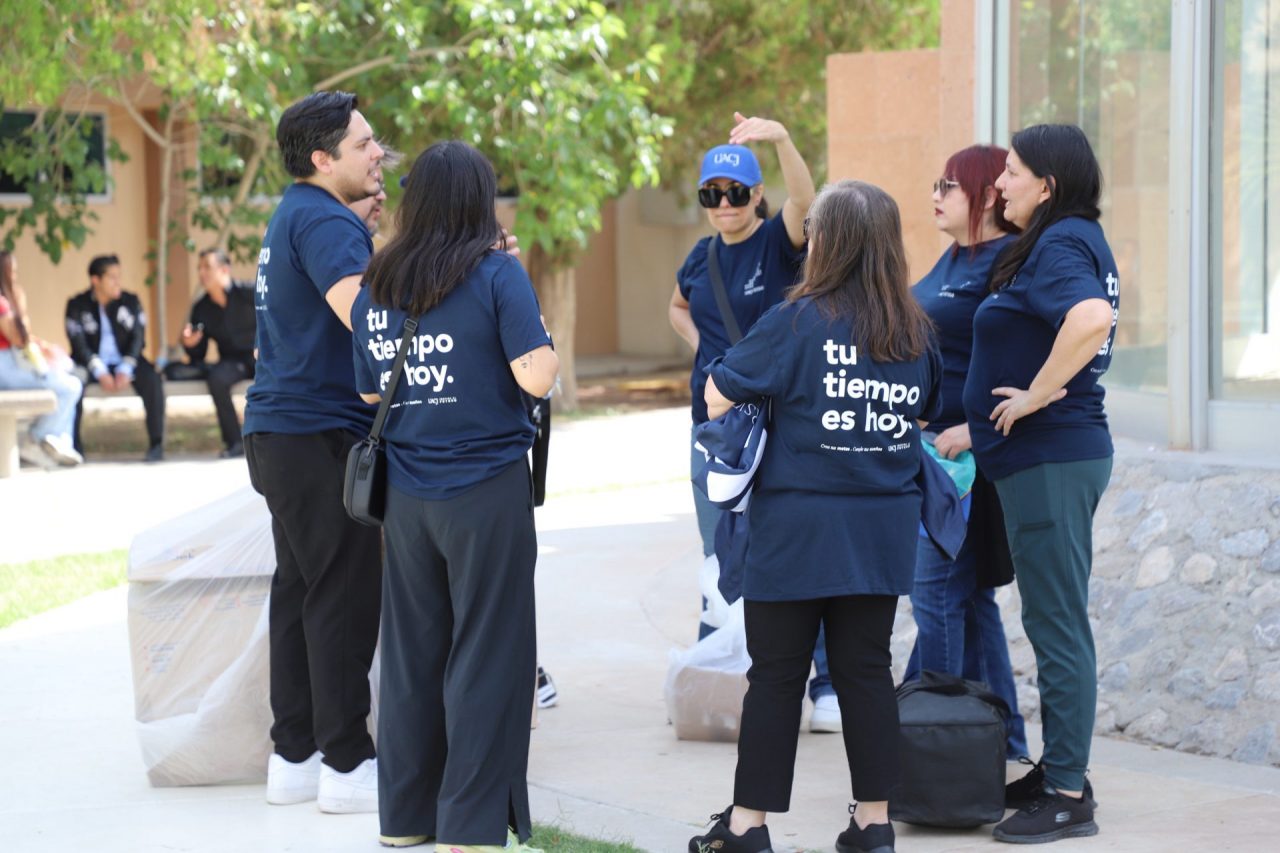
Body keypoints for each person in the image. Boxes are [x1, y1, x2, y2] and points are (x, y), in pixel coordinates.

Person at [689, 180, 942, 853]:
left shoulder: (795, 321)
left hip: (795, 530)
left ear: (825, 243)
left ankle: (747, 827)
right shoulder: (915, 331)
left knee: (776, 676)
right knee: (867, 672)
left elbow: (716, 394)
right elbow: (924, 414)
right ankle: (874, 824)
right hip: (881, 531)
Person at [350, 140, 556, 852]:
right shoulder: (498, 274)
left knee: (412, 656)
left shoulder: (376, 282)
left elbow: (370, 392)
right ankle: (468, 828)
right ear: (477, 200)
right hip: (485, 490)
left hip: (406, 498)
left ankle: (406, 819)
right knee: (488, 653)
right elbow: (536, 376)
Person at [963, 124, 1117, 844]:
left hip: (1050, 457)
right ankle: (1061, 768)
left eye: (1014, 171)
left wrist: (1035, 393)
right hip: (1047, 460)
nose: (1000, 183)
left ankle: (1066, 795)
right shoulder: (1069, 239)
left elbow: (1091, 317)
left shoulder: (1060, 243)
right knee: (1052, 618)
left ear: (1048, 185)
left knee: (1056, 624)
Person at [667, 114, 841, 730]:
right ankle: (717, 679)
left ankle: (824, 683)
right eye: (711, 194)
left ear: (756, 194)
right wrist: (704, 350)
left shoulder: (776, 242)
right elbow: (678, 306)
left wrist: (783, 140)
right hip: (715, 430)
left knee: (794, 549)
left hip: (777, 424)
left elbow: (806, 201)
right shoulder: (700, 256)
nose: (724, 204)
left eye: (736, 192)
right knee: (720, 554)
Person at [242, 90, 386, 815]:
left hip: (279, 432)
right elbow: (365, 318)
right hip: (318, 433)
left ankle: (294, 755)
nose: (378, 153)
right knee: (343, 595)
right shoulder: (328, 222)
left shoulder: (293, 213)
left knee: (300, 592)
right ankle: (347, 763)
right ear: (323, 159)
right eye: (363, 144)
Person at [902, 144, 1029, 760]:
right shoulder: (954, 257)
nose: (936, 194)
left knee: (936, 597)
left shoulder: (1008, 261)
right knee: (971, 600)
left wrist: (977, 432)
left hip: (967, 462)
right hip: (933, 455)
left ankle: (940, 750)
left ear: (985, 193)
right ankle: (1003, 744)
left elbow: (1036, 362)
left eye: (948, 184)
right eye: (936, 182)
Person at [65, 254, 166, 461]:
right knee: (73, 382)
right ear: (96, 280)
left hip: (126, 362)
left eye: (119, 276)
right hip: (90, 363)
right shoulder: (77, 305)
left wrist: (126, 368)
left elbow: (138, 337)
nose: (117, 282)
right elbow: (78, 343)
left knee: (152, 380)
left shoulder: (130, 302)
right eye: (112, 277)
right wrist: (99, 371)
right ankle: (74, 446)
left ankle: (157, 444)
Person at [167, 248, 256, 458]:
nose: (202, 273)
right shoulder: (201, 307)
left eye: (207, 267)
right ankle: (235, 442)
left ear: (224, 269)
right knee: (216, 379)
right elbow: (199, 355)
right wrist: (190, 343)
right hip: (233, 361)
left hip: (263, 356)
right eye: (199, 268)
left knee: (281, 378)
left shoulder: (249, 293)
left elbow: (276, 318)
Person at [0, 251, 83, 467]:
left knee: (65, 382)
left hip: (8, 364)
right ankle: (38, 438)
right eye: (13, 272)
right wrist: (19, 305)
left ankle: (59, 443)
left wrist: (42, 346)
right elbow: (20, 338)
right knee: (70, 387)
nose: (15, 277)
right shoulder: (2, 303)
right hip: (5, 368)